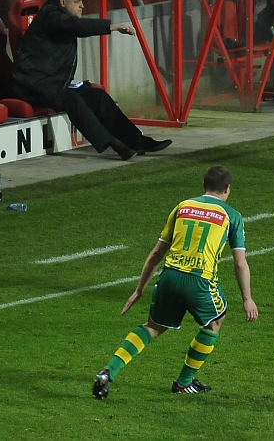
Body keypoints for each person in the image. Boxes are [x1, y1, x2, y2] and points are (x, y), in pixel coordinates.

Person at [92, 165, 258, 398]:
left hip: (169, 276)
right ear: (228, 189)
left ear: (203, 186)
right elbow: (240, 263)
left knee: (153, 326)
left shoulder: (183, 206)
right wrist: (248, 299)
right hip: (199, 280)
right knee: (215, 321)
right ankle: (184, 382)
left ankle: (108, 371)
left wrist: (139, 290)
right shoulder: (232, 216)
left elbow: (157, 253)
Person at [11, 0, 171, 160]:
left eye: (82, 1)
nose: (82, 6)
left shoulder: (59, 17)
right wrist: (112, 27)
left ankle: (138, 141)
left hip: (53, 83)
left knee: (97, 96)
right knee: (70, 98)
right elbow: (74, 26)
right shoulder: (51, 16)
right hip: (32, 85)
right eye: (77, 1)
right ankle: (113, 144)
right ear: (62, 2)